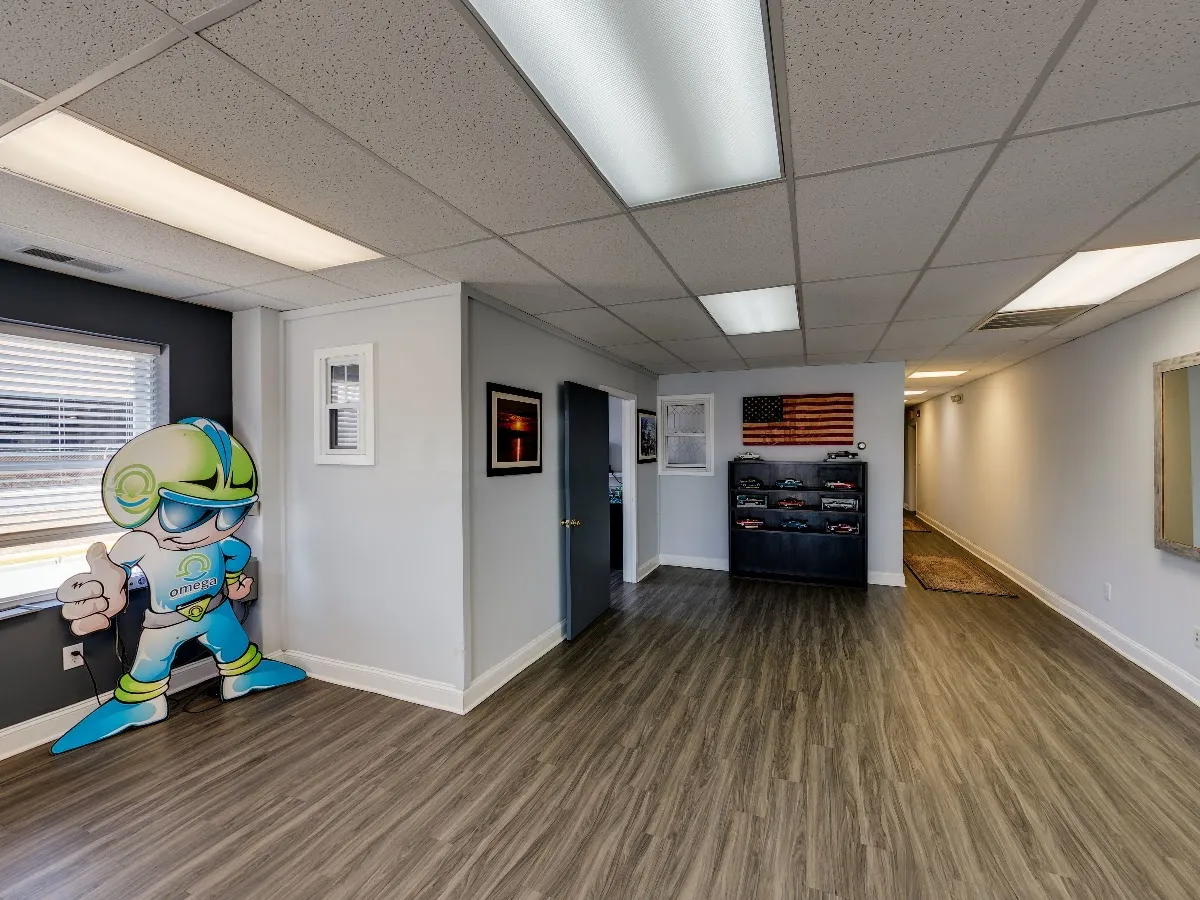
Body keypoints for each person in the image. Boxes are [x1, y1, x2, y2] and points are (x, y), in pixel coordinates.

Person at [51, 418, 305, 754]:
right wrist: (108, 589)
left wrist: (233, 583)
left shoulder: (220, 542)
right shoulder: (143, 543)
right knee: (150, 667)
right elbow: (115, 570)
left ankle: (244, 676)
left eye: (231, 514)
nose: (212, 527)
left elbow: (238, 554)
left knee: (235, 649)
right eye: (186, 512)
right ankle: (141, 704)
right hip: (165, 622)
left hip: (216, 610)